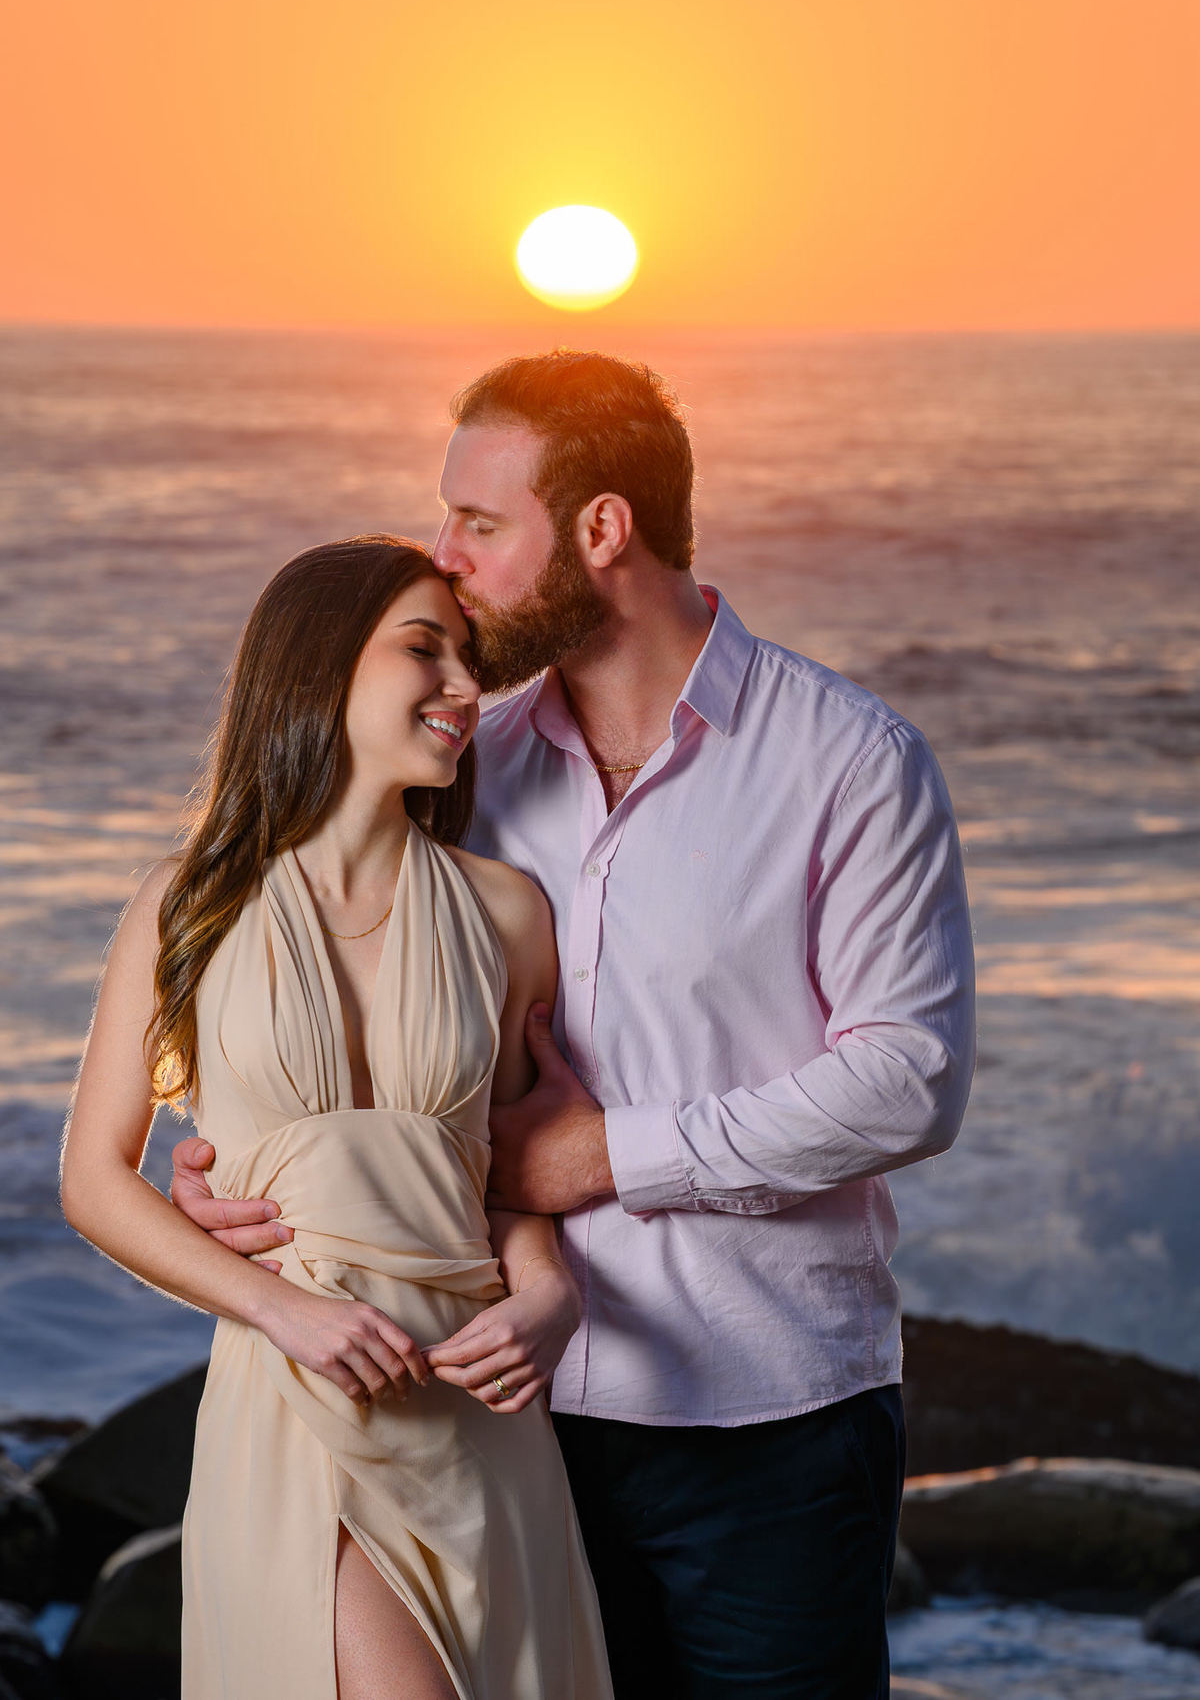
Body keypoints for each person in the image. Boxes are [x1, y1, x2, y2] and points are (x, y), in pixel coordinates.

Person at [173, 352, 977, 1699]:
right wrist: (243, 1153)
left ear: (601, 529)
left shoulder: (850, 758)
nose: (448, 559)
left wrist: (603, 1154)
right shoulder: (458, 762)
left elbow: (912, 1078)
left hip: (762, 1414)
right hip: (495, 1418)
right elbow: (342, 984)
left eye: (480, 526)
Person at [60, 537, 613, 1700]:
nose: (467, 688)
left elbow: (509, 1167)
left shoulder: (507, 912)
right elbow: (96, 1181)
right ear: (316, 664)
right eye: (426, 650)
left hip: (475, 1411)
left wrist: (552, 1288)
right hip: (297, 1396)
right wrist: (278, 1308)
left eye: (470, 659)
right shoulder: (187, 903)